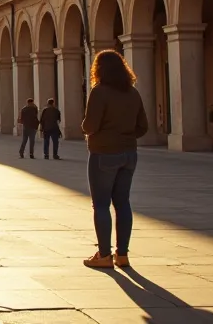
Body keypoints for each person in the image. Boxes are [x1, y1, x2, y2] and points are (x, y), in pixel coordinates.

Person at [81, 50, 148, 270]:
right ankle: (122, 255)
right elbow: (143, 127)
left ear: (99, 69)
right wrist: (125, 136)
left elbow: (90, 126)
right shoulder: (133, 93)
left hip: (103, 154)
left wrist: (95, 131)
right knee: (123, 203)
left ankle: (104, 255)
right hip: (129, 154)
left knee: (101, 204)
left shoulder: (99, 92)